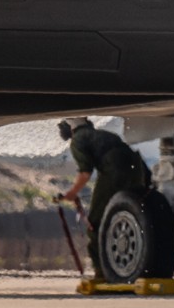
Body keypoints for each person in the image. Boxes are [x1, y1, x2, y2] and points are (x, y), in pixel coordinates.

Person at [54, 117, 149, 279]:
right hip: (138, 170)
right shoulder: (104, 134)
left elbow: (85, 172)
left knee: (95, 223)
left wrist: (72, 193)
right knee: (134, 216)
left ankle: (102, 271)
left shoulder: (77, 140)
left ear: (70, 128)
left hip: (114, 171)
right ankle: (138, 265)